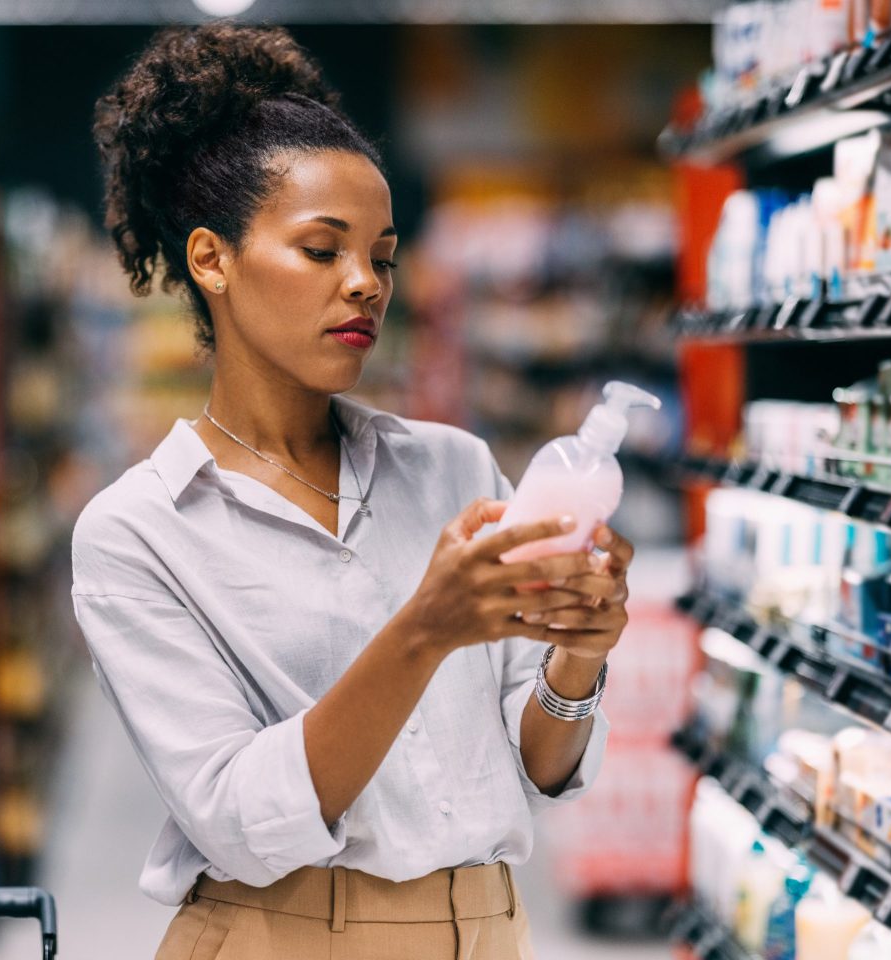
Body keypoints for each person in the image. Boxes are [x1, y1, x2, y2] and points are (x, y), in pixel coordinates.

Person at [73, 21, 633, 960]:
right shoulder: (138, 531)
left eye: (382, 255)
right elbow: (241, 820)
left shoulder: (453, 468)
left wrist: (578, 659)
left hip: (484, 928)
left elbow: (536, 767)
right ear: (211, 260)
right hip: (276, 933)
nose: (365, 284)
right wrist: (426, 628)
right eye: (322, 250)